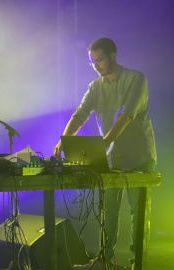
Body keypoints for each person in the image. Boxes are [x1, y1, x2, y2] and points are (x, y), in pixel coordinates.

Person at [53, 37, 157, 270]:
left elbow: (126, 116)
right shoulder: (95, 86)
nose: (96, 65)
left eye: (98, 60)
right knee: (108, 210)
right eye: (92, 62)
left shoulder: (136, 78)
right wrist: (64, 140)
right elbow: (80, 114)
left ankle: (135, 263)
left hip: (140, 155)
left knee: (137, 213)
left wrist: (104, 142)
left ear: (113, 55)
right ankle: (105, 261)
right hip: (112, 157)